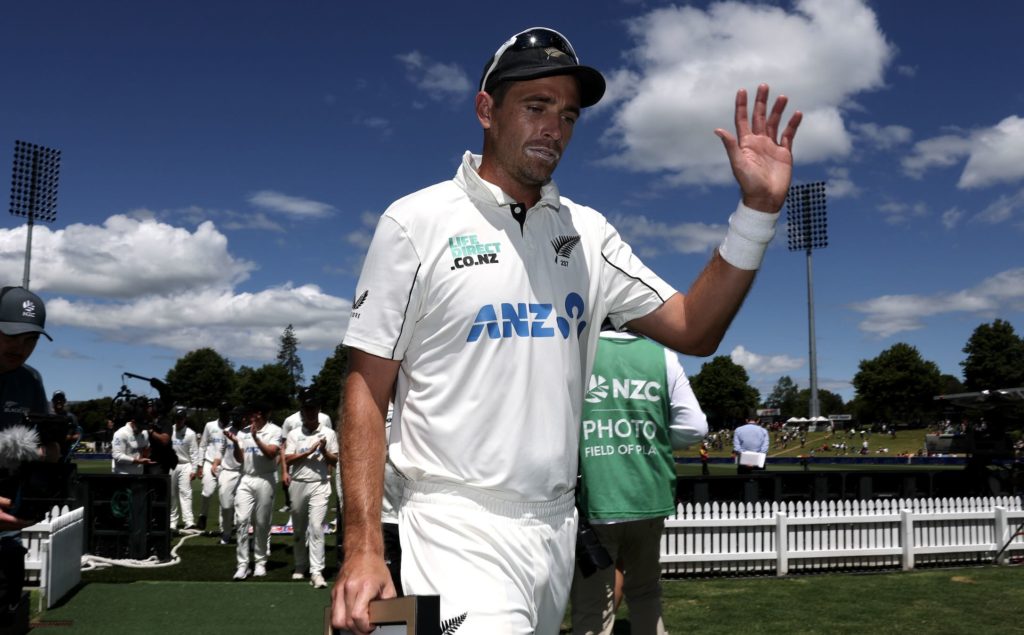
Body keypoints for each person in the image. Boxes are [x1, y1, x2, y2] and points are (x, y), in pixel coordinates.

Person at [331, 26, 801, 634]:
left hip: (557, 527)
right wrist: (362, 545)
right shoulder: (415, 222)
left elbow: (694, 327)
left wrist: (757, 212)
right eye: (535, 107)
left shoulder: (588, 232)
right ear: (485, 110)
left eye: (568, 115)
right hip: (455, 520)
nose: (554, 128)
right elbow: (366, 388)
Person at [571, 326, 707, 635]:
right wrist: (647, 440)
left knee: (593, 606)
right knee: (646, 593)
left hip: (598, 494)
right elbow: (696, 427)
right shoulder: (662, 356)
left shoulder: (576, 350)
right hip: (650, 493)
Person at [0, 286, 56, 626]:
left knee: (8, 605)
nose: (21, 348)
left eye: (31, 340)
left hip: (7, 520)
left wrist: (49, 455)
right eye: (12, 335)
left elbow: (46, 446)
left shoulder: (30, 380)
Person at [283, 400, 338, 588]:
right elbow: (288, 459)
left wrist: (323, 450)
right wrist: (310, 452)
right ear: (302, 412)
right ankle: (300, 565)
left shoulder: (329, 433)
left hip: (320, 484)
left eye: (314, 408)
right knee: (299, 529)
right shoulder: (293, 434)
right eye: (307, 409)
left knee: (316, 527)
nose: (311, 412)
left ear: (318, 409)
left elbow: (335, 459)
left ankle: (317, 572)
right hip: (298, 483)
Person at [225, 403, 283, 580]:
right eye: (250, 415)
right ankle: (242, 565)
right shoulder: (243, 432)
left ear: (263, 415)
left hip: (265, 478)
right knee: (241, 520)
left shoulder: (275, 431)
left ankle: (260, 562)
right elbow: (239, 459)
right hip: (246, 478)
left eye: (255, 415)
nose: (251, 418)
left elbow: (272, 454)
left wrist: (256, 438)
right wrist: (236, 443)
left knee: (262, 522)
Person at [210, 406, 245, 545]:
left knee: (243, 506)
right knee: (225, 505)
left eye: (237, 416)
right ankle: (226, 532)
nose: (233, 418)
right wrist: (215, 463)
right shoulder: (227, 431)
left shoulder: (248, 432)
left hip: (244, 472)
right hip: (228, 472)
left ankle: (241, 535)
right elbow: (221, 449)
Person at [197, 401, 232, 532]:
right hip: (209, 462)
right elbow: (203, 445)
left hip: (226, 466)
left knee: (224, 496)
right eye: (222, 411)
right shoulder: (210, 425)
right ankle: (203, 515)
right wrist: (200, 466)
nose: (225, 414)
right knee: (207, 492)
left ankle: (224, 525)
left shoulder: (234, 427)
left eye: (227, 411)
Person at [169, 406, 200, 531]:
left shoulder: (190, 434)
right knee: (171, 494)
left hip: (185, 464)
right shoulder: (169, 430)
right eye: (177, 418)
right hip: (171, 465)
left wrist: (194, 470)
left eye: (181, 419)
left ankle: (189, 521)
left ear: (184, 419)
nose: (179, 421)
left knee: (186, 493)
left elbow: (194, 453)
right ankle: (172, 521)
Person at [111, 406, 154, 474]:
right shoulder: (121, 433)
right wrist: (138, 461)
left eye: (143, 427)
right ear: (133, 422)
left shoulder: (144, 432)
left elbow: (146, 448)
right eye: (140, 427)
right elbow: (117, 455)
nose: (141, 430)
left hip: (139, 473)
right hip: (123, 474)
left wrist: (146, 452)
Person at [50, 391, 81, 460]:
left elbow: (78, 435)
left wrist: (68, 437)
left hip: (65, 454)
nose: (59, 401)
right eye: (56, 399)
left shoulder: (71, 417)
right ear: (53, 401)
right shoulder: (47, 416)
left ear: (65, 401)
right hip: (49, 452)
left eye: (61, 399)